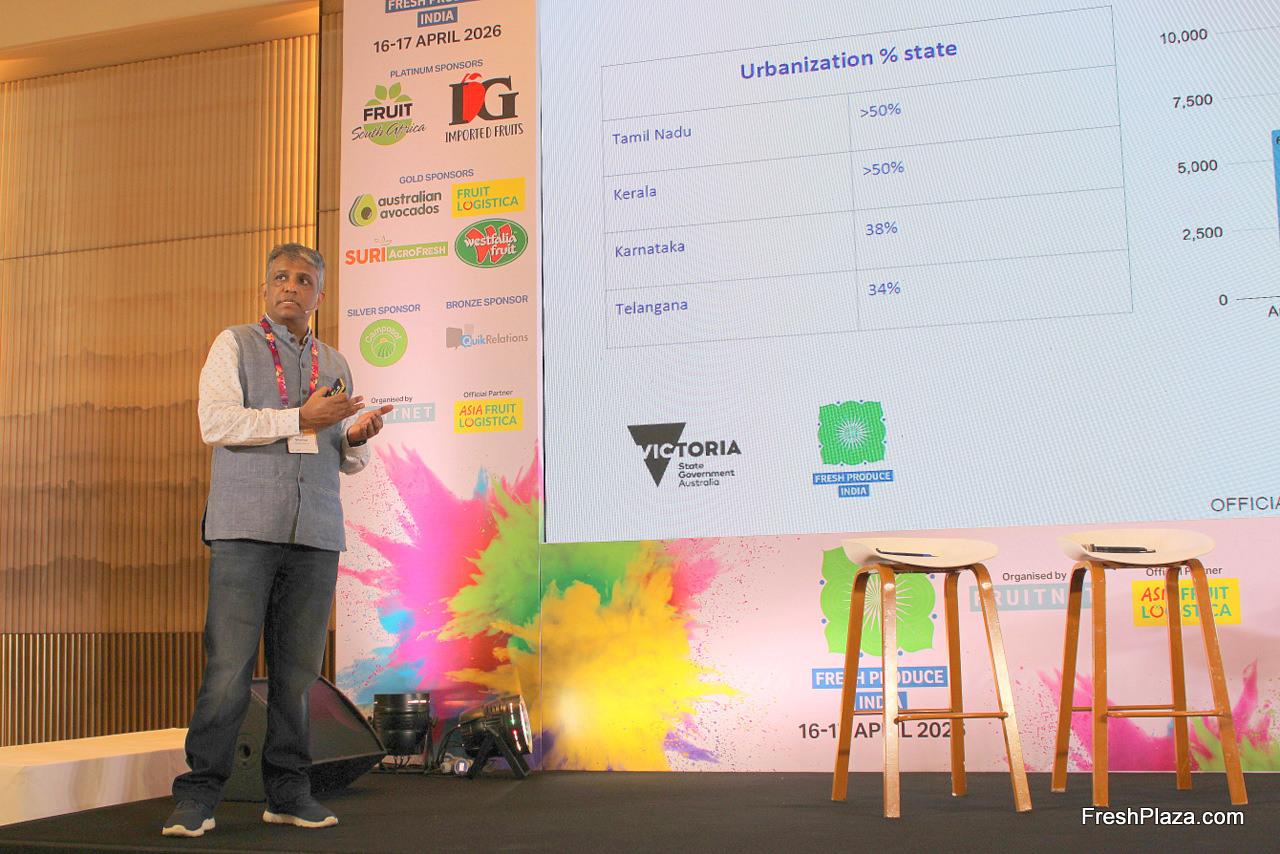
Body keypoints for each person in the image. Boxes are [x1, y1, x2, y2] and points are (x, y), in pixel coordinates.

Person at [163, 244, 393, 837]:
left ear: (319, 295)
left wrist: (356, 438)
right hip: (245, 530)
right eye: (280, 278)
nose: (291, 286)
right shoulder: (235, 344)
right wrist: (300, 418)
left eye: (304, 280)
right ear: (265, 289)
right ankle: (199, 796)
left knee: (297, 677)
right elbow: (216, 423)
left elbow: (339, 457)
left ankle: (289, 792)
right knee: (229, 670)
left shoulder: (335, 362)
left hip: (315, 533)